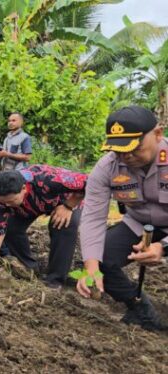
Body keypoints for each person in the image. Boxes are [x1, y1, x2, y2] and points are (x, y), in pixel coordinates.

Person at [78, 106, 168, 331]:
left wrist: (162, 247)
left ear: (157, 134)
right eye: (119, 149)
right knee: (102, 258)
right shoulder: (107, 167)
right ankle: (138, 307)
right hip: (138, 222)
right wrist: (91, 268)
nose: (126, 156)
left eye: (134, 147)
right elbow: (92, 218)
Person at [0, 165, 87, 288]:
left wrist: (69, 205)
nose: (7, 205)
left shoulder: (49, 179)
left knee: (62, 225)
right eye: (4, 202)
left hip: (65, 201)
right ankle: (30, 268)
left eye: (11, 201)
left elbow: (88, 182)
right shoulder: (2, 199)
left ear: (24, 188)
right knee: (12, 228)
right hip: (29, 205)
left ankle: (55, 279)